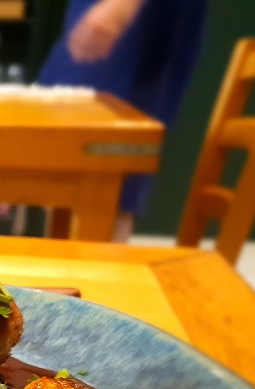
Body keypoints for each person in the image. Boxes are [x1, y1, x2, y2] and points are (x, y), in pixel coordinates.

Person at [38, 0, 208, 241]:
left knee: (106, 182)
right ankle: (58, 272)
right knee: (52, 166)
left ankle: (93, 275)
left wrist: (120, 6)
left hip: (130, 21)